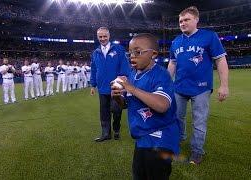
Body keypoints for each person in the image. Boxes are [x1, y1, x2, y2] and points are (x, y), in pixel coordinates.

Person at [112, 33, 180, 179]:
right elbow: (127, 104)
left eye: (137, 52)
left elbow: (162, 105)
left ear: (153, 54)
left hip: (161, 137)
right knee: (139, 175)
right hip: (142, 137)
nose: (132, 56)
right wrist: (118, 97)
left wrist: (132, 89)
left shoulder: (161, 74)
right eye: (129, 53)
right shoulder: (132, 74)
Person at [167, 6, 229, 164]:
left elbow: (221, 60)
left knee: (199, 121)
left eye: (186, 19)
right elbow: (172, 64)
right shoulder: (175, 41)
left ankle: (197, 151)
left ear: (196, 20)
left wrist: (224, 85)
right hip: (179, 87)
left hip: (201, 87)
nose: (182, 23)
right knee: (176, 118)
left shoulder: (209, 36)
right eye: (180, 21)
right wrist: (167, 83)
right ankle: (178, 140)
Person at [90, 27, 130, 142]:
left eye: (104, 36)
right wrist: (93, 85)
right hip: (102, 87)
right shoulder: (95, 52)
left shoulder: (118, 49)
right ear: (97, 37)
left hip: (116, 86)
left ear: (109, 36)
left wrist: (121, 82)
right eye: (100, 37)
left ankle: (116, 129)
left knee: (116, 110)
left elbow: (124, 66)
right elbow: (93, 69)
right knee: (104, 112)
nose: (102, 39)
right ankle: (106, 133)